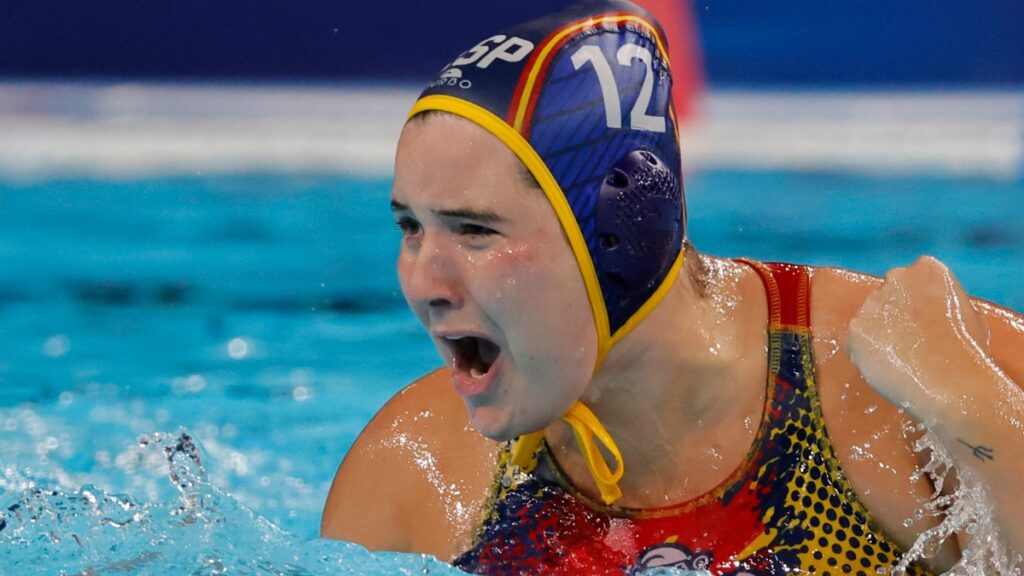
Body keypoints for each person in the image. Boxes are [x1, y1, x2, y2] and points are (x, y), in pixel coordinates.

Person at [321, 2, 1024, 574]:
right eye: (410, 228)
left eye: (474, 231)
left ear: (618, 226)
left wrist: (976, 407)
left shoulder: (900, 389)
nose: (422, 281)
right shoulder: (414, 473)